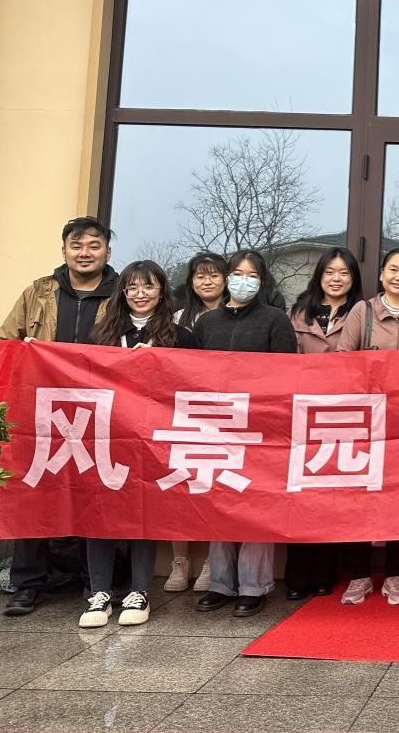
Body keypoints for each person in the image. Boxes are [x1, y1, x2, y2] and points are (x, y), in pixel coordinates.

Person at [0, 216, 118, 617]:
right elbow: (5, 342)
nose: (85, 253)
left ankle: (94, 582)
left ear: (108, 251)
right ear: (64, 250)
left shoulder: (120, 294)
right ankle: (27, 584)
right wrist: (25, 360)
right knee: (35, 492)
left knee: (95, 495)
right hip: (42, 411)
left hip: (99, 413)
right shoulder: (38, 292)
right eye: (76, 245)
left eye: (94, 245)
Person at [80, 260, 197, 628]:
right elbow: (78, 376)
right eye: (132, 287)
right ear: (123, 292)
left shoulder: (181, 336)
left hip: (155, 439)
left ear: (162, 291)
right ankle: (99, 592)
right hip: (108, 435)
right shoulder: (102, 334)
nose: (140, 294)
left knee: (144, 510)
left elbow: (196, 386)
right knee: (99, 511)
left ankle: (139, 591)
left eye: (148, 286)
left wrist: (159, 363)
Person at [193, 249, 297, 617]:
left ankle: (253, 585)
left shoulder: (275, 320)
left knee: (257, 504)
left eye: (252, 275)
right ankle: (221, 582)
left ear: (262, 281)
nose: (244, 281)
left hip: (260, 427)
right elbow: (190, 374)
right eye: (238, 273)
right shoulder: (207, 323)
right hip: (216, 425)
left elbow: (286, 376)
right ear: (227, 277)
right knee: (219, 502)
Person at [336, 247, 399, 606]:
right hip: (365, 419)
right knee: (358, 498)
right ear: (381, 274)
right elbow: (342, 362)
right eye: (393, 269)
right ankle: (359, 576)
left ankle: (396, 576)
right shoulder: (361, 311)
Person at [283, 247, 363, 600]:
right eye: (330, 271)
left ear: (353, 278)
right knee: (303, 496)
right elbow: (286, 360)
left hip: (345, 413)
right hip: (304, 411)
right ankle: (297, 575)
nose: (336, 278)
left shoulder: (362, 312)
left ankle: (325, 574)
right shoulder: (298, 312)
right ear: (319, 275)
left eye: (344, 272)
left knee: (333, 495)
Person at [165, 251, 228, 594]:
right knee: (181, 486)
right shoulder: (177, 317)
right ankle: (180, 561)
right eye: (200, 276)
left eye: (214, 274)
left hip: (225, 411)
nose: (207, 281)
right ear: (190, 282)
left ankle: (211, 563)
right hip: (185, 410)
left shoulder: (234, 313)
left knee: (217, 486)